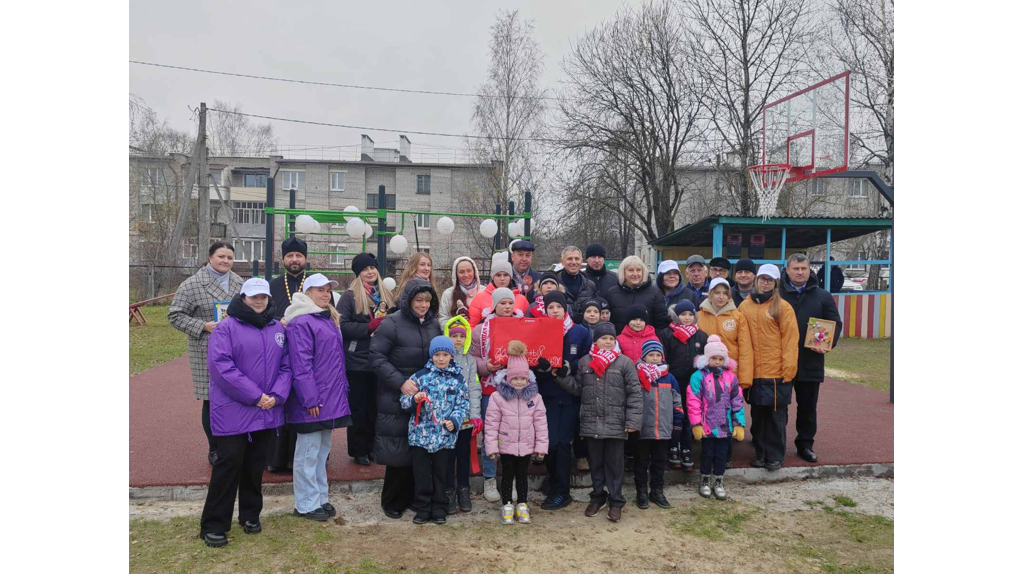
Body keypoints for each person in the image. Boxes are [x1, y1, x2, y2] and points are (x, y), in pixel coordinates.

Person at [200, 278, 291, 548]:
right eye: (254, 296)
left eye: (263, 296)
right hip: (234, 410)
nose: (259, 300)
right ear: (243, 298)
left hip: (265, 410)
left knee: (254, 466)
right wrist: (256, 396)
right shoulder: (226, 328)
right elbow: (221, 367)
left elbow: (286, 366)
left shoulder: (277, 328)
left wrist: (275, 396)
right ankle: (214, 525)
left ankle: (250, 515)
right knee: (228, 466)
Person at [368, 278, 443, 519]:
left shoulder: (434, 325)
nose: (423, 305)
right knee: (397, 448)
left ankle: (413, 496)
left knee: (418, 449)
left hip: (425, 396)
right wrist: (400, 382)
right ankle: (392, 501)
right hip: (396, 393)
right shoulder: (391, 323)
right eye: (418, 300)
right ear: (408, 300)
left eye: (427, 300)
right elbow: (376, 357)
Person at [557, 322, 643, 523]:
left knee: (614, 465)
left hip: (616, 423)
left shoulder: (624, 363)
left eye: (611, 339)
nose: (608, 342)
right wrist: (560, 378)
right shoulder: (586, 362)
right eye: (604, 338)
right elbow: (578, 389)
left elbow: (634, 394)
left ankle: (616, 501)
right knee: (595, 463)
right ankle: (597, 496)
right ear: (595, 340)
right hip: (591, 421)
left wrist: (632, 421)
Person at [283, 274, 352, 521]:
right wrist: (309, 399)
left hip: (330, 398)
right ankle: (305, 503)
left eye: (328, 290)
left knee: (321, 451)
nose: (326, 294)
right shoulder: (301, 322)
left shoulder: (326, 318)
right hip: (313, 400)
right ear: (308, 293)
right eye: (320, 290)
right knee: (307, 452)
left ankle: (319, 497)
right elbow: (301, 365)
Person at [168, 241, 244, 466]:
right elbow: (175, 316)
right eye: (221, 256)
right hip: (207, 349)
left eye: (230, 258)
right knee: (212, 400)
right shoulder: (192, 285)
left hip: (238, 350)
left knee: (237, 396)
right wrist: (203, 326)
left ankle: (236, 444)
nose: (226, 261)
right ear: (210, 257)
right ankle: (215, 448)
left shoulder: (240, 283)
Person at [400, 336, 470, 525]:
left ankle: (440, 507)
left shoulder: (458, 379)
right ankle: (423, 507)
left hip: (444, 437)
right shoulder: (419, 376)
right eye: (437, 354)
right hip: (420, 435)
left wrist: (454, 421)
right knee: (422, 474)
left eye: (445, 354)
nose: (441, 358)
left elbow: (463, 404)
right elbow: (403, 400)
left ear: (451, 356)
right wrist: (414, 400)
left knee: (441, 473)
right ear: (432, 356)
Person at [781, 254, 843, 464]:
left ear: (810, 271)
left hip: (811, 361)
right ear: (787, 270)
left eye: (804, 269)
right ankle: (776, 444)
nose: (800, 272)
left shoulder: (823, 296)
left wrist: (828, 343)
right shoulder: (776, 294)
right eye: (796, 268)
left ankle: (805, 444)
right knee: (779, 405)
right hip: (781, 361)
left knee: (807, 407)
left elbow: (835, 322)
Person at [336, 253, 396, 466]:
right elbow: (341, 327)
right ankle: (359, 450)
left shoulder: (386, 294)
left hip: (381, 359)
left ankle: (373, 447)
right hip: (358, 361)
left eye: (372, 267)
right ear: (358, 273)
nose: (370, 272)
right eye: (365, 269)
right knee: (359, 407)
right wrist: (368, 327)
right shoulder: (350, 296)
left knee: (376, 407)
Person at [533, 291, 591, 511]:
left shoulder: (579, 332)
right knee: (548, 443)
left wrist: (571, 366)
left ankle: (562, 492)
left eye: (558, 306)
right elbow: (532, 359)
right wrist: (541, 368)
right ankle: (554, 480)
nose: (555, 311)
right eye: (550, 307)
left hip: (568, 396)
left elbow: (587, 358)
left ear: (565, 308)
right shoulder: (540, 330)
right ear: (545, 310)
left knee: (562, 443)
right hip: (545, 394)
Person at [738, 265, 799, 471]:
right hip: (754, 372)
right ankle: (760, 453)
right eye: (763, 279)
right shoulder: (744, 307)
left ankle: (774, 456)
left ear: (775, 283)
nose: (765, 282)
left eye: (770, 280)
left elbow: (791, 341)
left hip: (776, 372)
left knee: (775, 417)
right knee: (758, 416)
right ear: (756, 280)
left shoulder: (782, 307)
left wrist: (788, 370)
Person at [485, 340, 549, 524]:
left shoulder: (535, 398)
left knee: (522, 475)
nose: (519, 382)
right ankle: (506, 505)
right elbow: (491, 423)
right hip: (505, 445)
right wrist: (491, 446)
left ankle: (522, 504)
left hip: (526, 445)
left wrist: (541, 446)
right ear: (508, 378)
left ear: (528, 378)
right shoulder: (498, 398)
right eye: (515, 378)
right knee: (507, 475)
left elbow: (541, 423)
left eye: (522, 378)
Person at [470, 286, 524, 502]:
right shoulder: (479, 330)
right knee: (491, 434)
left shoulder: (524, 326)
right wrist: (486, 366)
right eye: (503, 303)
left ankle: (509, 480)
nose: (508, 306)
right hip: (489, 389)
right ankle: (489, 478)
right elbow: (471, 358)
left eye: (511, 303)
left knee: (512, 433)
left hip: (515, 388)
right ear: (494, 305)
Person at [687, 335, 745, 500]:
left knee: (722, 454)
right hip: (707, 424)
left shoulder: (731, 378)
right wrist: (696, 423)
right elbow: (693, 401)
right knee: (707, 453)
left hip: (725, 426)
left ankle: (718, 480)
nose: (717, 362)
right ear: (707, 358)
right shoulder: (698, 376)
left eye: (721, 359)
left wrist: (739, 423)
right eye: (714, 358)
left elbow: (737, 401)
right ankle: (705, 479)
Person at [633, 340, 684, 510]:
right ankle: (641, 491)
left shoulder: (669, 377)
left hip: (663, 429)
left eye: (658, 355)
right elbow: (632, 401)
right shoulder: (637, 376)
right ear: (644, 357)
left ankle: (657, 490)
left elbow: (677, 401)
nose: (654, 358)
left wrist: (677, 422)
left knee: (659, 461)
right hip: (643, 428)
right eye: (650, 355)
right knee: (641, 461)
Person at [659, 300, 708, 471]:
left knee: (689, 416)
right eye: (683, 314)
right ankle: (673, 448)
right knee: (674, 416)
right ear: (676, 316)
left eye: (690, 314)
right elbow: (663, 358)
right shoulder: (666, 334)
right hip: (673, 381)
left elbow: (704, 360)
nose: (687, 318)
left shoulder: (701, 336)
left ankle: (686, 448)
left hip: (692, 383)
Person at [442, 316, 483, 513]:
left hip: (465, 418)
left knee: (464, 454)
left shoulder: (470, 360)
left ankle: (463, 490)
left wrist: (475, 414)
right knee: (448, 455)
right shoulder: (442, 358)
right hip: (448, 419)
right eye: (454, 336)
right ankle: (448, 491)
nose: (457, 339)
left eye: (461, 336)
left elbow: (474, 387)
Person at [697, 278, 754, 390]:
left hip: (730, 375)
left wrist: (744, 379)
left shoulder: (738, 317)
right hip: (705, 375)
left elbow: (745, 349)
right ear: (710, 294)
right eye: (717, 293)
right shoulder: (698, 317)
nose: (721, 296)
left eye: (725, 293)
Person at [606, 256, 670, 334]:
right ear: (623, 272)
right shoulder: (611, 293)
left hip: (647, 344)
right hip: (619, 343)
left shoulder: (655, 293)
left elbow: (662, 324)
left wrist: (654, 343)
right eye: (631, 270)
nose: (635, 274)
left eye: (638, 270)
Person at [467, 259, 529, 327]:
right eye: (498, 275)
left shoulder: (522, 299)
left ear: (510, 277)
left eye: (505, 275)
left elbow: (527, 326)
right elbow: (471, 326)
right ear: (493, 277)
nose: (502, 278)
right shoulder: (479, 298)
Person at [269, 237, 309, 319]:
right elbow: (265, 314)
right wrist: (279, 321)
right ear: (283, 260)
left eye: (298, 255)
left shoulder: (316, 284)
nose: (294, 259)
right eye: (290, 256)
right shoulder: (272, 285)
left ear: (305, 259)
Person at [439, 256, 484, 325]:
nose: (466, 275)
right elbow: (442, 320)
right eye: (461, 272)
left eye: (469, 271)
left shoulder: (484, 291)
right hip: (456, 335)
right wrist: (456, 322)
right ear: (456, 274)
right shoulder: (448, 294)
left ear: (474, 271)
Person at [557, 246, 597, 311]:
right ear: (562, 261)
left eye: (577, 259)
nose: (574, 262)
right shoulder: (554, 284)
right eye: (570, 259)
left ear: (581, 261)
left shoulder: (590, 285)